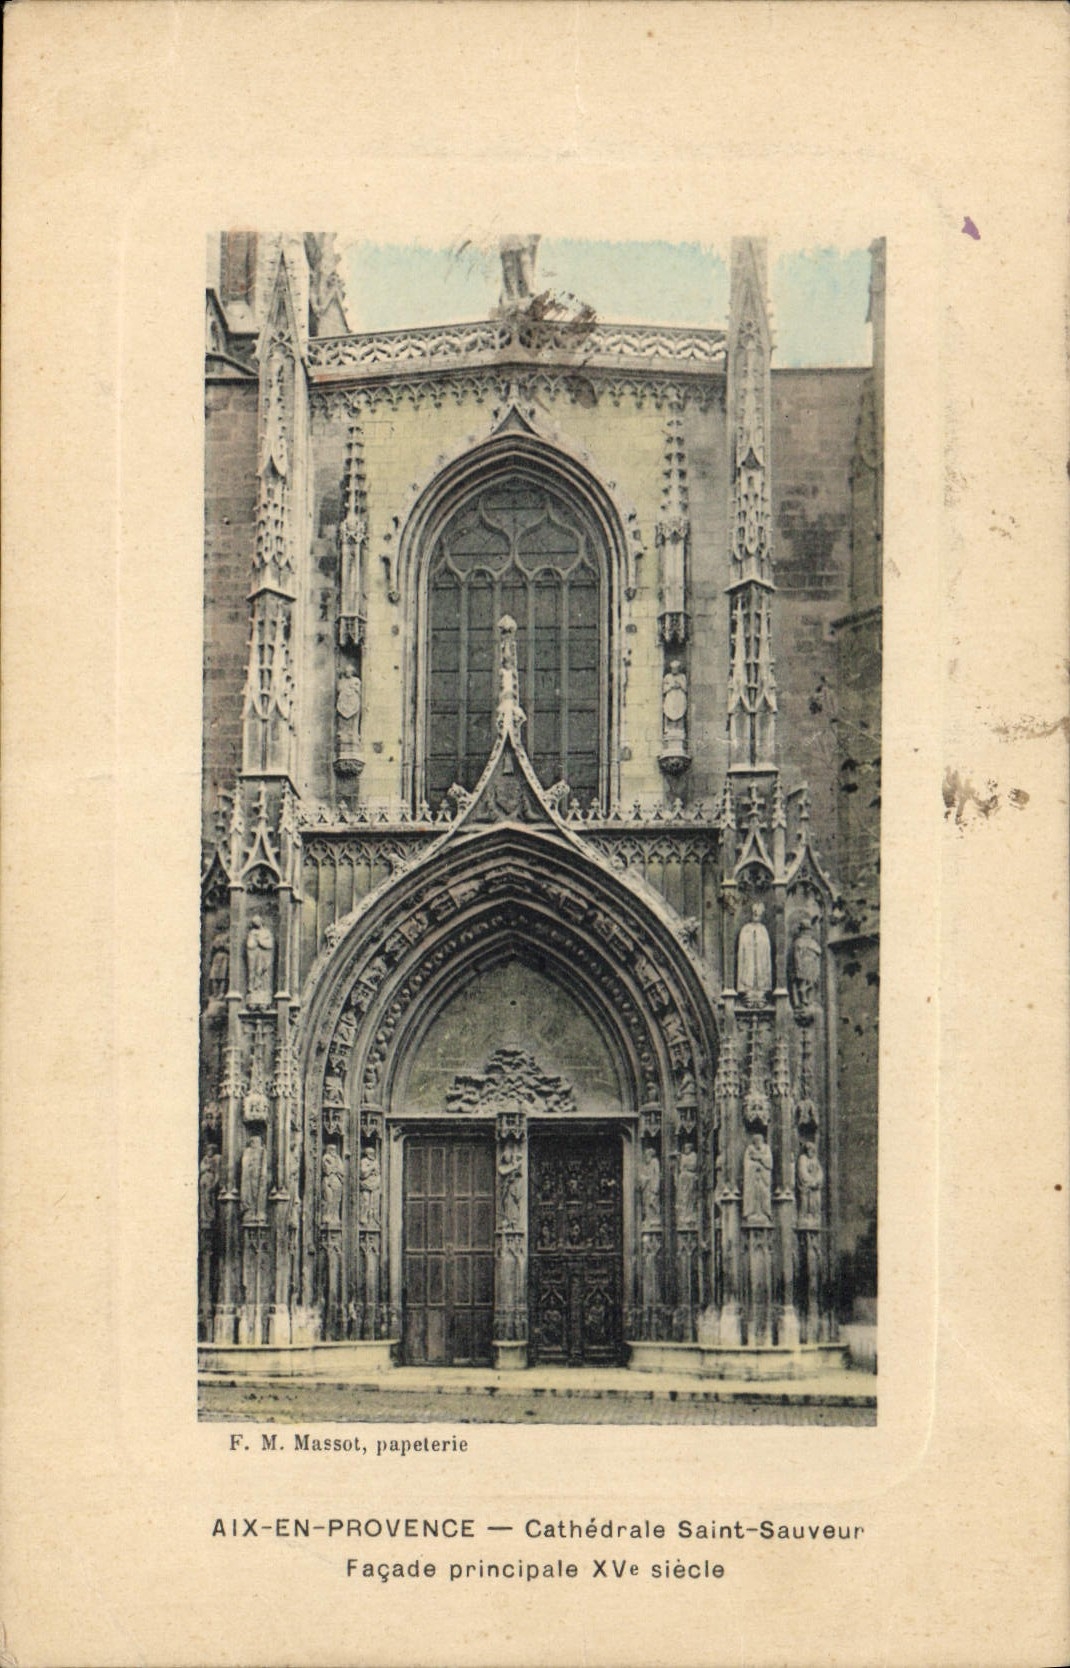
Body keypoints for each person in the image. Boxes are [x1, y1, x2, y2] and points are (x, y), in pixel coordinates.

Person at [736, 901, 772, 999]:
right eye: (755, 912)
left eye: (758, 913)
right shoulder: (746, 929)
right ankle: (748, 989)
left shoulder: (763, 930)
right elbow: (742, 948)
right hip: (749, 959)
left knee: (761, 969)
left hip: (760, 960)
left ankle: (761, 989)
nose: (756, 915)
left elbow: (766, 950)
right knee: (748, 971)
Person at [742, 1130, 773, 1224]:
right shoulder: (749, 1149)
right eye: (756, 1141)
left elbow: (769, 1163)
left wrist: (758, 1158)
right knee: (753, 1194)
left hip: (763, 1179)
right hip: (753, 1178)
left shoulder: (767, 1149)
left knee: (763, 1194)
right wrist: (756, 1166)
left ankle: (764, 1213)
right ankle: (752, 1213)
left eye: (760, 1140)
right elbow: (746, 1164)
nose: (758, 1143)